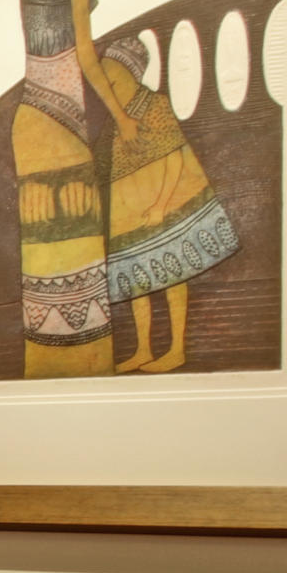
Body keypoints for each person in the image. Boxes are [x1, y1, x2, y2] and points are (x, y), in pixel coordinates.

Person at [11, 0, 136, 378]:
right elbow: (84, 57)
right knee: (77, 256)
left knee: (47, 262)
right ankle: (84, 372)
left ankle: (47, 374)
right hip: (59, 125)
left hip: (30, 121)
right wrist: (124, 118)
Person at [95, 33, 239, 372]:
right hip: (130, 216)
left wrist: (161, 205)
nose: (109, 91)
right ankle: (143, 347)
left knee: (174, 275)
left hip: (163, 209)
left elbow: (175, 159)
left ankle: (176, 348)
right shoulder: (117, 121)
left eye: (113, 81)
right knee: (137, 283)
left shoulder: (154, 105)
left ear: (133, 75)